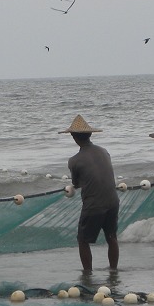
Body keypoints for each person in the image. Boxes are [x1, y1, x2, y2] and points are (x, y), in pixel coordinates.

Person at [60, 115, 119, 273]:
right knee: (112, 236)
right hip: (113, 201)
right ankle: (113, 270)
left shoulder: (74, 161)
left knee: (82, 240)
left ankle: (88, 274)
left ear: (73, 137)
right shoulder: (104, 152)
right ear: (90, 134)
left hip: (94, 205)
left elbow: (76, 183)